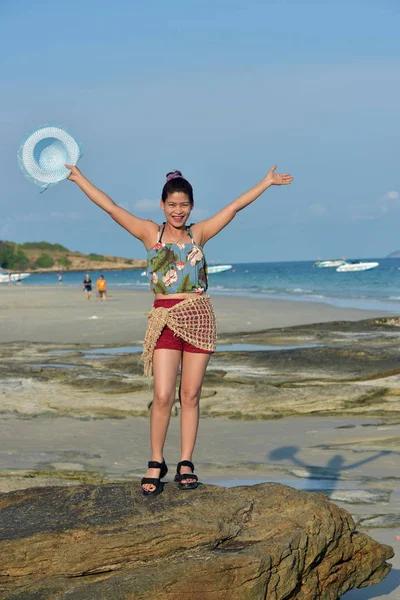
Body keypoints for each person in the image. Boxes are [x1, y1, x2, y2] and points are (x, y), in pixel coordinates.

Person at [66, 163, 293, 496]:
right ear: (162, 205)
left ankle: (186, 460)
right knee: (162, 396)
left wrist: (267, 182)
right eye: (172, 205)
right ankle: (156, 461)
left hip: (199, 317)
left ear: (191, 207)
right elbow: (111, 207)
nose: (177, 211)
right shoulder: (149, 233)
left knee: (190, 396)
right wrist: (78, 177)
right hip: (165, 319)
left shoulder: (197, 234)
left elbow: (233, 208)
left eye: (183, 205)